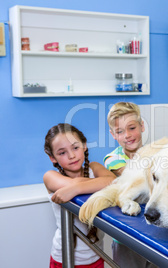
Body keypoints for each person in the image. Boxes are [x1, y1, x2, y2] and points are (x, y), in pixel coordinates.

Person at [43, 123, 116, 268]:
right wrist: (96, 183)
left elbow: (114, 182)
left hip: (96, 256)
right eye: (62, 153)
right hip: (63, 258)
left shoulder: (94, 167)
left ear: (84, 145)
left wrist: (75, 188)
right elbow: (108, 182)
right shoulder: (50, 177)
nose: (71, 156)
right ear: (53, 158)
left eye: (75, 148)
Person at [105, 101, 157, 268]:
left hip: (156, 231)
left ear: (142, 126)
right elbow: (133, 176)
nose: (127, 135)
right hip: (126, 236)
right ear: (113, 134)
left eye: (132, 128)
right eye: (120, 131)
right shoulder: (113, 159)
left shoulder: (155, 152)